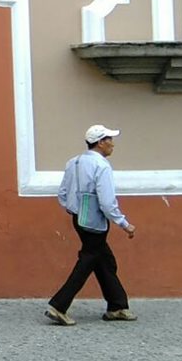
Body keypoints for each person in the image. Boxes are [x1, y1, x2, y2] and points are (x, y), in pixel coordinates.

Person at [45, 124, 137, 326]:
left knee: (105, 260)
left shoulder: (73, 162)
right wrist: (124, 223)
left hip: (78, 218)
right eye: (109, 140)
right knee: (88, 261)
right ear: (101, 142)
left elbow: (62, 193)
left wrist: (74, 209)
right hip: (95, 220)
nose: (112, 144)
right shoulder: (102, 166)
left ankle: (117, 305)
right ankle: (59, 305)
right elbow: (106, 202)